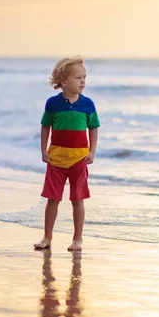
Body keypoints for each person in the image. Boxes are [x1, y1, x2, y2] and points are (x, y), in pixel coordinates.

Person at [33, 56, 100, 252]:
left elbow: (94, 128)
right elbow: (45, 126)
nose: (83, 81)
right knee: (52, 199)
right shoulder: (53, 104)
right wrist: (43, 150)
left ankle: (77, 238)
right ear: (64, 81)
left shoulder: (88, 104)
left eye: (84, 77)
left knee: (77, 199)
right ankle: (47, 237)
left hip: (79, 159)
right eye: (78, 77)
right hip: (56, 159)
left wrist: (92, 151)